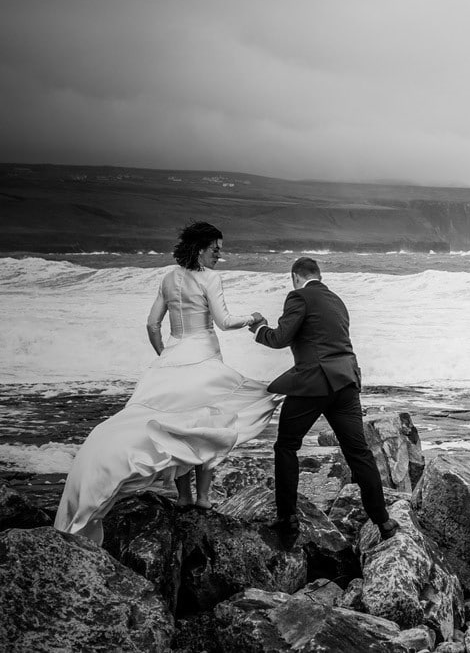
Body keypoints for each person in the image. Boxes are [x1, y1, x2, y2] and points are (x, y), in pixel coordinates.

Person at [55, 221, 279, 544]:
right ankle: (203, 498)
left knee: (176, 424)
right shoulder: (210, 278)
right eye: (215, 249)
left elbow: (151, 324)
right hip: (203, 357)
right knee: (207, 422)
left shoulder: (168, 278)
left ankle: (183, 496)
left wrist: (165, 356)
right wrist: (254, 318)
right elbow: (224, 321)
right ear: (199, 249)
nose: (219, 255)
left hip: (172, 356)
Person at [251, 256, 397, 541]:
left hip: (314, 383)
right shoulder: (337, 301)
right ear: (319, 275)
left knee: (286, 445)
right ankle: (384, 521)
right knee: (359, 453)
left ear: (295, 277)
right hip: (347, 382)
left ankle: (287, 518)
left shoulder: (299, 296)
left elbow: (280, 338)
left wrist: (259, 329)